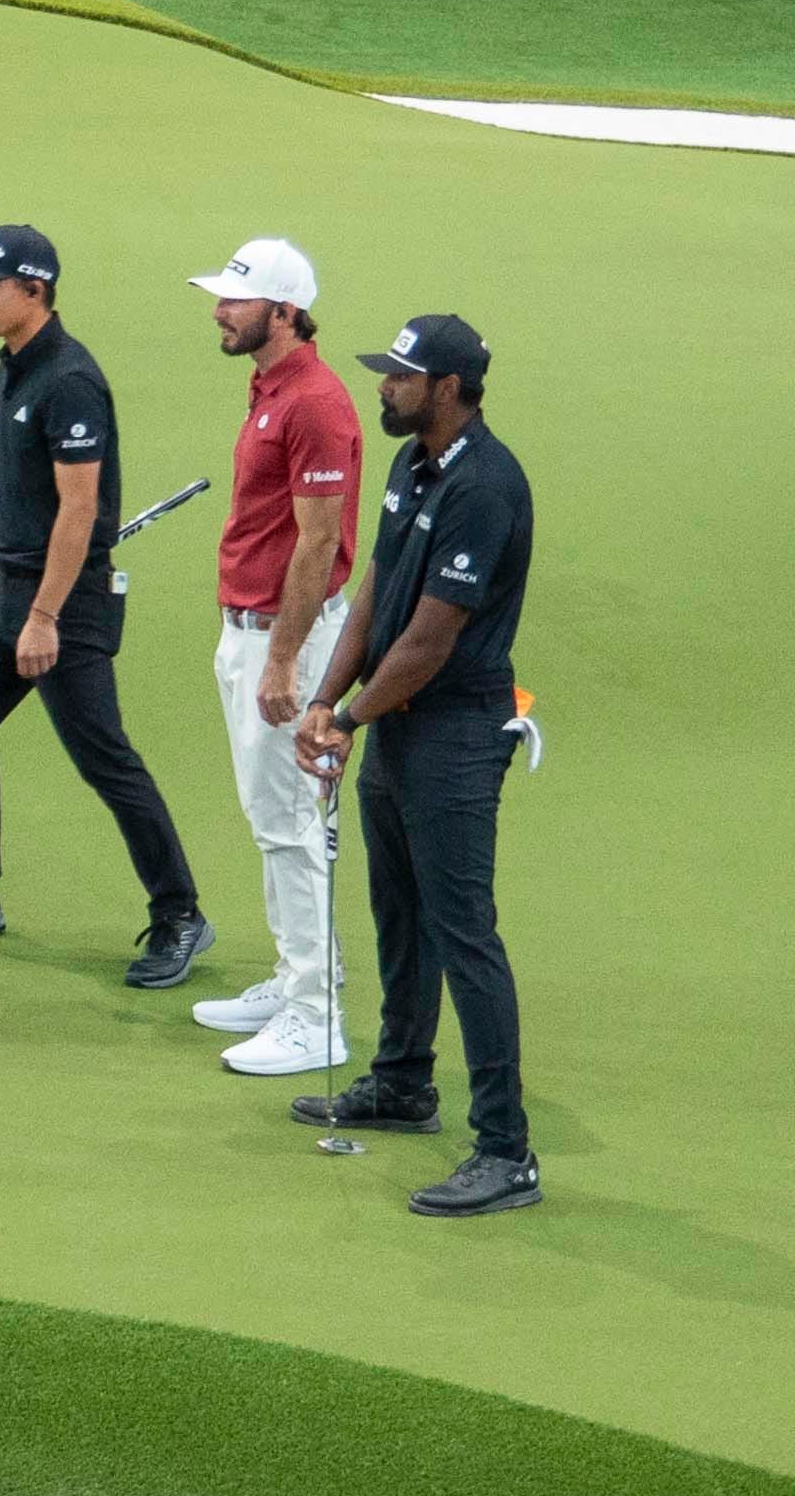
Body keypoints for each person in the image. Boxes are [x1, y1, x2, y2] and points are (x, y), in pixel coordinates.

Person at [0, 225, 206, 988]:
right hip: (6, 592)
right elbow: (26, 491)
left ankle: (179, 915)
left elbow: (78, 507)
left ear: (35, 291)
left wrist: (43, 616)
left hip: (63, 604)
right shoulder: (15, 366)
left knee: (103, 758)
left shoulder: (68, 379)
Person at [285, 312, 539, 1216]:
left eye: (400, 375)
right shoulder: (409, 465)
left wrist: (348, 714)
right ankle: (401, 1081)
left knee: (463, 931)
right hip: (394, 723)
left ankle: (506, 1151)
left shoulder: (486, 486)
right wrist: (326, 699)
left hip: (457, 733)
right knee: (400, 912)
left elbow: (431, 639)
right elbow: (376, 602)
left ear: (448, 388)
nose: (383, 385)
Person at [183, 234, 363, 1076]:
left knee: (291, 826)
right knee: (271, 819)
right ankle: (294, 977)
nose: (218, 309)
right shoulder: (270, 385)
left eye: (235, 299)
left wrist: (284, 662)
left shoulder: (316, 402)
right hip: (249, 628)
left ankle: (315, 1015)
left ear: (283, 311)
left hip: (282, 635)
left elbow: (319, 542)